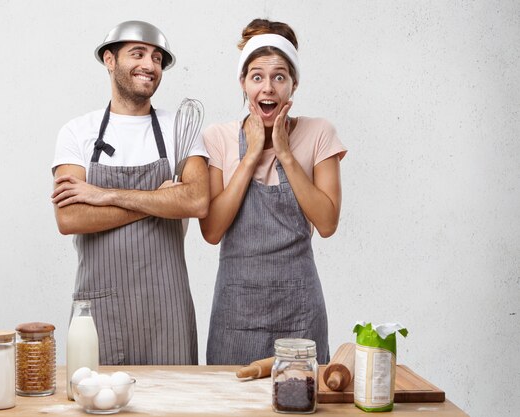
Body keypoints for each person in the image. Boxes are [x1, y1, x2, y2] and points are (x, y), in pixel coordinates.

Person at [51, 20, 209, 365]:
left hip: (167, 308)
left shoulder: (177, 128)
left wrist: (104, 195)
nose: (150, 65)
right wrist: (162, 200)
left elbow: (196, 200)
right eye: (138, 54)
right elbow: (70, 216)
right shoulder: (77, 132)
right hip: (101, 309)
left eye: (156, 58)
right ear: (110, 60)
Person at [200, 19, 346, 365]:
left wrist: (285, 153)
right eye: (257, 77)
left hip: (300, 310)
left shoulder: (318, 132)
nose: (268, 88)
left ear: (293, 84)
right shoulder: (218, 137)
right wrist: (251, 154)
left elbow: (326, 223)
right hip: (236, 314)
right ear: (243, 83)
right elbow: (212, 230)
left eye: (279, 77)